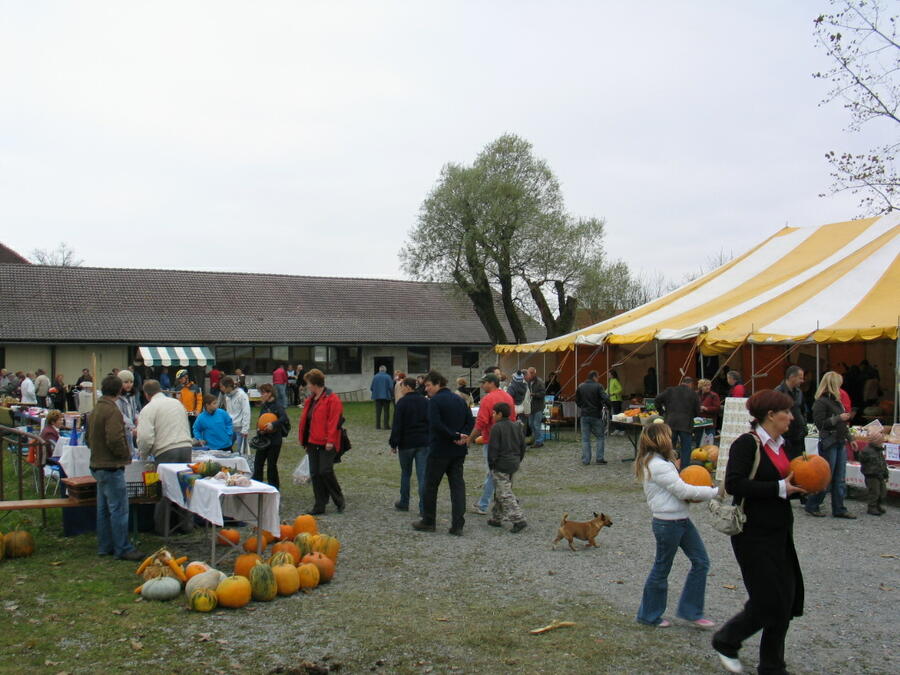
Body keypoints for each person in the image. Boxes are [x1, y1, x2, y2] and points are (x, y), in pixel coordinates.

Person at [712, 390, 808, 675]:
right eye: (786, 412)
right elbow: (735, 484)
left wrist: (801, 489)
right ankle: (726, 640)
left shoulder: (784, 446)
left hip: (780, 530)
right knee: (767, 599)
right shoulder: (747, 444)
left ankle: (772, 665)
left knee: (786, 599)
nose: (791, 417)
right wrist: (779, 489)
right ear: (770, 415)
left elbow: (786, 484)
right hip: (752, 533)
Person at [635, 423, 719, 628]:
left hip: (680, 519)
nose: (673, 440)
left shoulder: (659, 462)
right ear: (662, 440)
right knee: (662, 568)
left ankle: (691, 611)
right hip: (668, 523)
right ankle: (648, 615)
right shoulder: (658, 465)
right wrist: (715, 492)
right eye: (669, 437)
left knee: (701, 561)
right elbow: (683, 491)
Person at [86, 375, 144, 561]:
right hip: (110, 465)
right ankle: (123, 547)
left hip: (97, 464)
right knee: (119, 509)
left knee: (103, 509)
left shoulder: (96, 409)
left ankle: (105, 545)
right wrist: (124, 454)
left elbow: (88, 437)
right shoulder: (112, 411)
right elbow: (114, 438)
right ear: (119, 390)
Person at [413, 370, 474, 535]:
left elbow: (436, 424)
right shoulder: (460, 400)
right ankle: (458, 525)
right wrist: (463, 436)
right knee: (457, 487)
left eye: (428, 385)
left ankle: (428, 521)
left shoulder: (434, 401)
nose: (426, 389)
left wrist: (455, 435)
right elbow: (470, 420)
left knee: (430, 486)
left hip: (440, 450)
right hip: (458, 450)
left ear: (438, 383)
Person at [137, 379, 195, 534]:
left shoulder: (148, 409)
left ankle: (162, 528)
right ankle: (186, 525)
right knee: (185, 488)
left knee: (162, 490)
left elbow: (144, 438)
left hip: (166, 450)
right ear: (160, 390)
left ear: (146, 394)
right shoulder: (176, 403)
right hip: (185, 447)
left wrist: (143, 454)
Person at [806, 371, 856, 519]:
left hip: (839, 441)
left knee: (840, 478)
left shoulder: (837, 401)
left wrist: (850, 438)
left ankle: (839, 508)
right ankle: (813, 504)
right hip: (829, 442)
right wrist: (837, 418)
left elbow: (843, 424)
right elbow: (820, 423)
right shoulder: (821, 402)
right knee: (826, 477)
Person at [298, 369, 345, 514]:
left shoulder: (332, 399)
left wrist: (330, 440)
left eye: (308, 383)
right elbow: (306, 421)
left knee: (325, 470)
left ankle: (338, 498)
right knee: (315, 473)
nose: (307, 386)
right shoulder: (310, 400)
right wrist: (304, 440)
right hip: (312, 441)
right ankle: (320, 504)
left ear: (314, 384)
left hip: (327, 442)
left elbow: (334, 421)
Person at [471, 373, 516, 515]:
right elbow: (513, 418)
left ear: (491, 383)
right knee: (501, 473)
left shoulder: (487, 399)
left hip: (491, 441)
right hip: (507, 441)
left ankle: (483, 504)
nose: (482, 385)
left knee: (492, 473)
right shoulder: (508, 397)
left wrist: (470, 438)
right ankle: (499, 503)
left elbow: (481, 422)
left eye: (484, 383)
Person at [389, 376, 430, 517]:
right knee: (422, 475)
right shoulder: (425, 402)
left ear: (407, 386)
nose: (400, 389)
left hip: (406, 443)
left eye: (402, 386)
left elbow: (397, 425)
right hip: (423, 442)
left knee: (406, 473)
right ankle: (424, 507)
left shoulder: (402, 403)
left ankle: (404, 501)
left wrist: (393, 443)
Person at [486, 401, 528, 533]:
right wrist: (519, 458)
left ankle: (518, 519)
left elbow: (493, 449)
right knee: (502, 489)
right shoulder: (517, 426)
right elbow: (523, 445)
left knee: (505, 493)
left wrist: (492, 464)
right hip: (514, 462)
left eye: (494, 413)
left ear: (499, 414)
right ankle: (497, 517)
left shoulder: (496, 428)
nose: (492, 415)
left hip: (501, 464)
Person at [656, 377, 700, 468]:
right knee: (686, 449)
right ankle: (684, 470)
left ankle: (668, 467)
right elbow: (697, 410)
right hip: (686, 425)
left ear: (681, 382)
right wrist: (692, 416)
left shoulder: (670, 390)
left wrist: (662, 412)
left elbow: (657, 399)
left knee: (669, 448)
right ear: (691, 384)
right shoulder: (693, 394)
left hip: (670, 423)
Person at [254, 383, 289, 489]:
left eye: (263, 393)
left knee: (271, 466)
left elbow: (284, 418)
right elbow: (261, 419)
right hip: (263, 439)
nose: (261, 395)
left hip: (274, 441)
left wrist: (273, 424)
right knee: (258, 464)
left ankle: (273, 488)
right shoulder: (264, 405)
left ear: (269, 393)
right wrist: (260, 429)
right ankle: (257, 486)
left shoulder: (278, 405)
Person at [575, 370, 610, 465]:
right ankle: (599, 458)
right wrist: (608, 406)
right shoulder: (598, 386)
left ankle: (586, 460)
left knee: (585, 438)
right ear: (594, 377)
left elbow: (577, 400)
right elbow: (605, 398)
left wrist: (582, 406)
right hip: (596, 415)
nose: (598, 379)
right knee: (600, 437)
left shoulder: (580, 386)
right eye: (597, 377)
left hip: (584, 414)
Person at [855, 429, 888, 516]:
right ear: (875, 441)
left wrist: (886, 472)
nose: (881, 443)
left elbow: (883, 462)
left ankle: (878, 505)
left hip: (880, 474)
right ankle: (872, 507)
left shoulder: (879, 451)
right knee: (874, 492)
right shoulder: (866, 451)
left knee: (882, 491)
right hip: (871, 475)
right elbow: (861, 459)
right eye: (880, 441)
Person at [775, 366, 806, 456]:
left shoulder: (799, 392)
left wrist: (804, 426)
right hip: (786, 436)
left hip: (799, 435)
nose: (802, 381)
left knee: (801, 463)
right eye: (800, 378)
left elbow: (803, 410)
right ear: (792, 377)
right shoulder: (778, 392)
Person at [219, 376, 251, 453]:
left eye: (222, 387)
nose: (221, 389)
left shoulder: (242, 395)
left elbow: (246, 411)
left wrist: (245, 429)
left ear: (229, 386)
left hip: (240, 428)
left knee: (241, 452)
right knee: (225, 448)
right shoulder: (227, 396)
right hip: (230, 427)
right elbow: (228, 412)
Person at [115, 370, 142, 457]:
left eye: (131, 382)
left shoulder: (132, 395)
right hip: (121, 432)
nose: (129, 384)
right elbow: (120, 415)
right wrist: (132, 427)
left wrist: (138, 418)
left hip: (131, 432)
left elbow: (134, 411)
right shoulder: (117, 398)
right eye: (126, 382)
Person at [525, 367, 547, 448]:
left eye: (531, 373)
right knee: (531, 424)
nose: (529, 375)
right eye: (528, 373)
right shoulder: (528, 382)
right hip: (530, 407)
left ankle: (539, 441)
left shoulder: (540, 382)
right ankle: (535, 439)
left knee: (536, 424)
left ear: (534, 373)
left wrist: (534, 394)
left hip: (538, 407)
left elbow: (543, 393)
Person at [695, 378, 721, 446]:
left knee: (709, 441)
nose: (707, 387)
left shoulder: (714, 395)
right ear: (700, 386)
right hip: (698, 420)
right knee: (698, 440)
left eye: (709, 385)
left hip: (710, 421)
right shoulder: (696, 394)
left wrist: (706, 408)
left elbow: (717, 408)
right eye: (705, 385)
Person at [370, 365, 394, 430]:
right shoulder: (388, 377)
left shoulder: (375, 377)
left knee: (378, 412)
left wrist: (376, 392)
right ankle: (386, 426)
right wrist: (392, 395)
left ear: (379, 370)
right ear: (385, 370)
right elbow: (391, 387)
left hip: (377, 397)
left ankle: (378, 426)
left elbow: (371, 387)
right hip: (386, 396)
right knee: (386, 412)